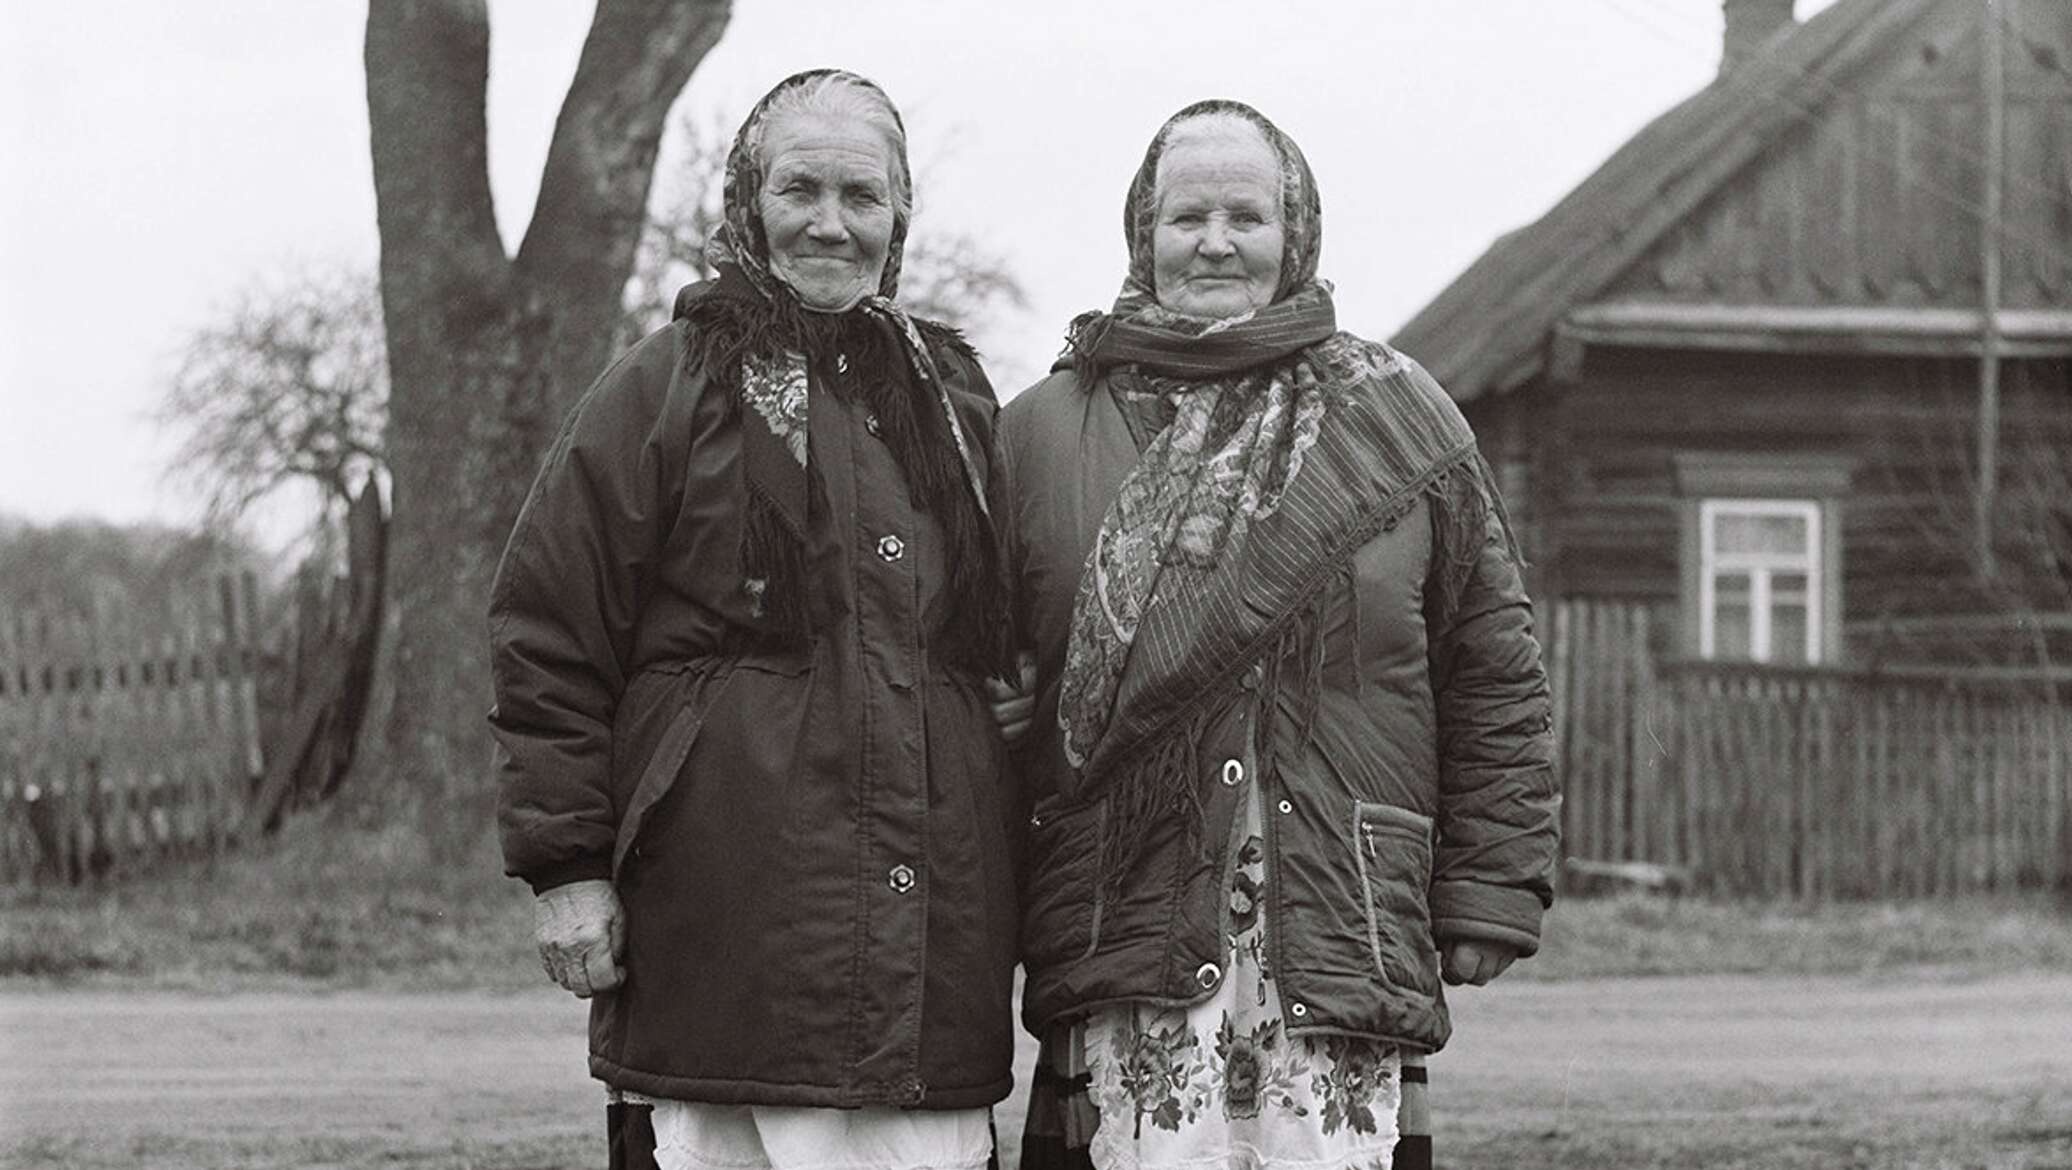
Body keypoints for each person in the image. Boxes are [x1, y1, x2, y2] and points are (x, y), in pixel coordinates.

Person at [992, 100, 1560, 1170]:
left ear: (1293, 233)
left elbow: (1489, 669)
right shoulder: (1040, 431)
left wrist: (1491, 881)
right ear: (1139, 233)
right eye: (1185, 215)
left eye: (1244, 216)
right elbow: (982, 667)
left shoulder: (1398, 424)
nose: (1213, 242)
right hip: (1128, 912)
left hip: (1338, 906)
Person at [488, 69, 1021, 1170]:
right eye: (800, 188)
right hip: (719, 925)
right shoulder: (668, 380)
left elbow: (1005, 642)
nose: (830, 221)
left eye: (861, 196)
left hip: (929, 946)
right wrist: (566, 868)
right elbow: (548, 626)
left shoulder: (955, 399)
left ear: (899, 215)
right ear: (747, 201)